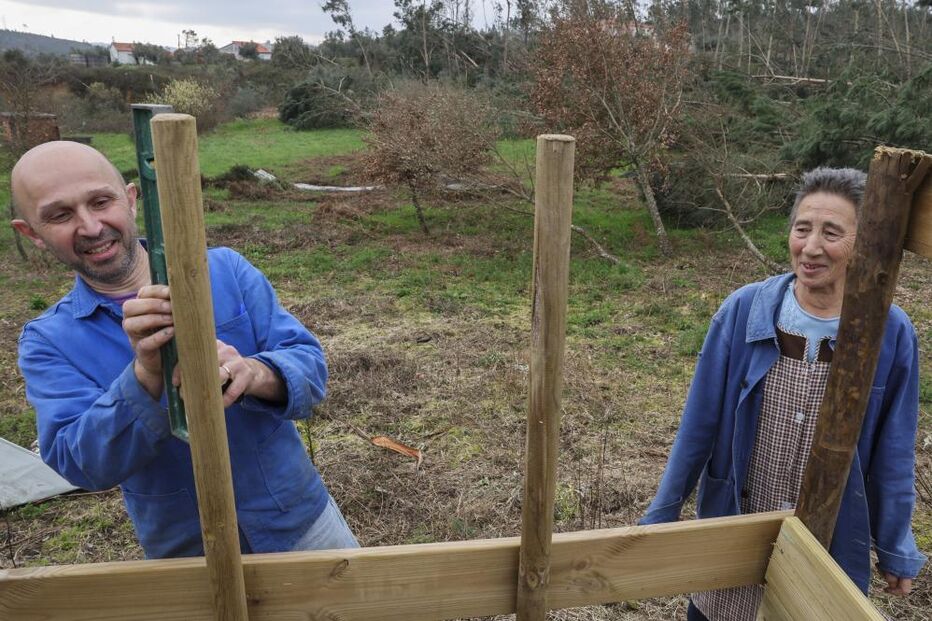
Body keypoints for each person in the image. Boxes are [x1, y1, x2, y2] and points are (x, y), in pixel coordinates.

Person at [11, 140, 358, 559]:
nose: (89, 226)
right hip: (188, 557)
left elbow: (309, 366)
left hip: (302, 526)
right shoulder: (49, 341)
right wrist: (145, 377)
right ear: (32, 233)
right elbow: (80, 464)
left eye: (101, 201)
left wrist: (254, 372)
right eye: (60, 215)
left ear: (132, 198)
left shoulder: (225, 270)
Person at [639, 168, 926, 620]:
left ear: (865, 241)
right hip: (737, 518)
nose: (811, 248)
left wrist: (895, 547)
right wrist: (661, 515)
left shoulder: (889, 332)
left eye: (831, 233)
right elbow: (699, 423)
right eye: (802, 229)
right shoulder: (744, 311)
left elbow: (894, 449)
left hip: (829, 537)